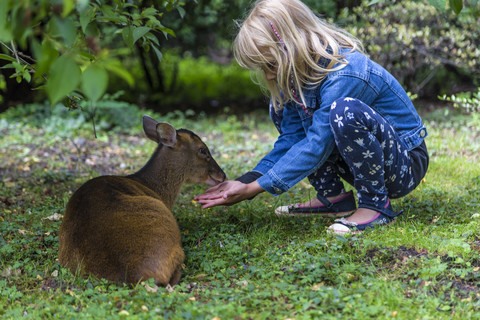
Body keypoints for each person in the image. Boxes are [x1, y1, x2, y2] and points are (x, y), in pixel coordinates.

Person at [194, 0, 429, 234]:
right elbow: (292, 139)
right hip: (367, 161)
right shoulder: (299, 78)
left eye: (271, 63)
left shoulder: (347, 72)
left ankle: (375, 205)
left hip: (403, 165)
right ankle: (333, 198)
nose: (267, 74)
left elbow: (318, 144)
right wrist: (248, 180)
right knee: (280, 108)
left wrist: (256, 188)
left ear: (292, 44)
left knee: (343, 112)